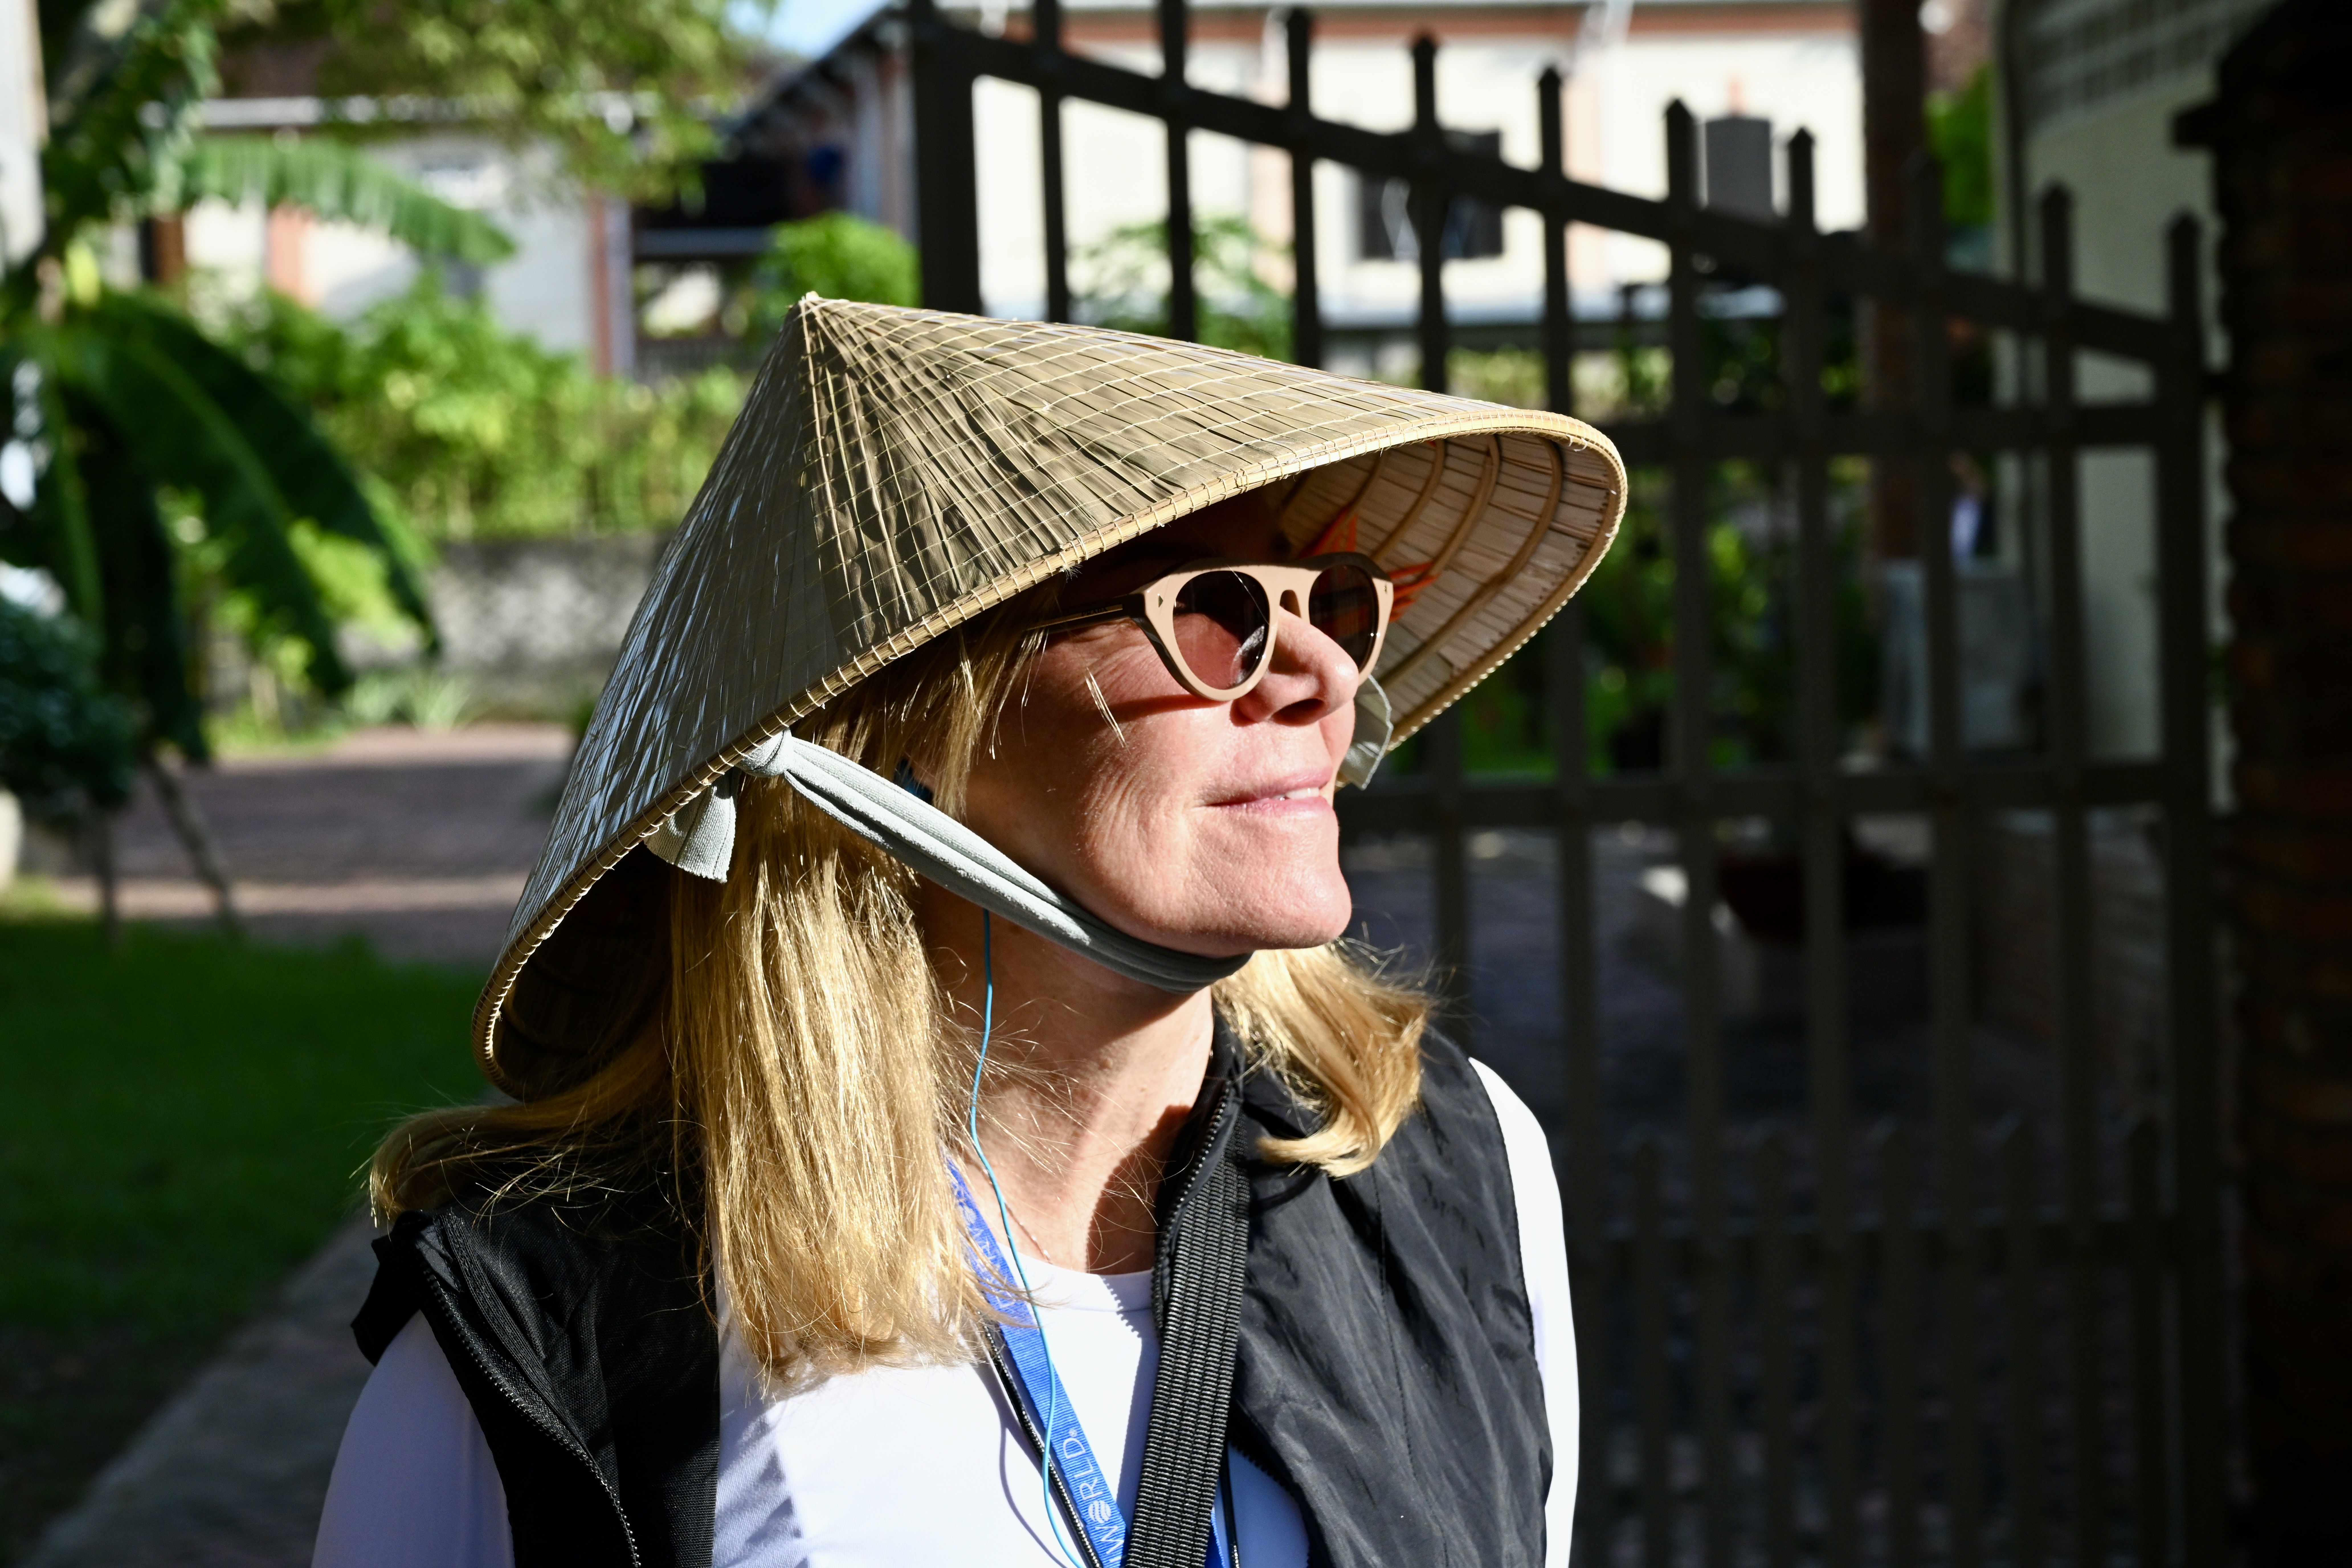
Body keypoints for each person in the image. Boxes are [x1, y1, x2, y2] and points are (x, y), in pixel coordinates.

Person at [311, 299, 1626, 1568]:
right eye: (1218, 607)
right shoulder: (550, 1331)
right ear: (907, 728)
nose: (1327, 674)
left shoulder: (1464, 1170)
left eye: (1334, 600)